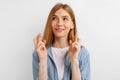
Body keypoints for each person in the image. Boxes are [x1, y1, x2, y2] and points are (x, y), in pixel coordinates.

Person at [32, 3, 90, 80]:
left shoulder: (83, 53)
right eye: (54, 18)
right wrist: (43, 61)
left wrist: (74, 60)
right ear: (50, 23)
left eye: (65, 19)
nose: (59, 23)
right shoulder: (39, 52)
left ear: (72, 24)